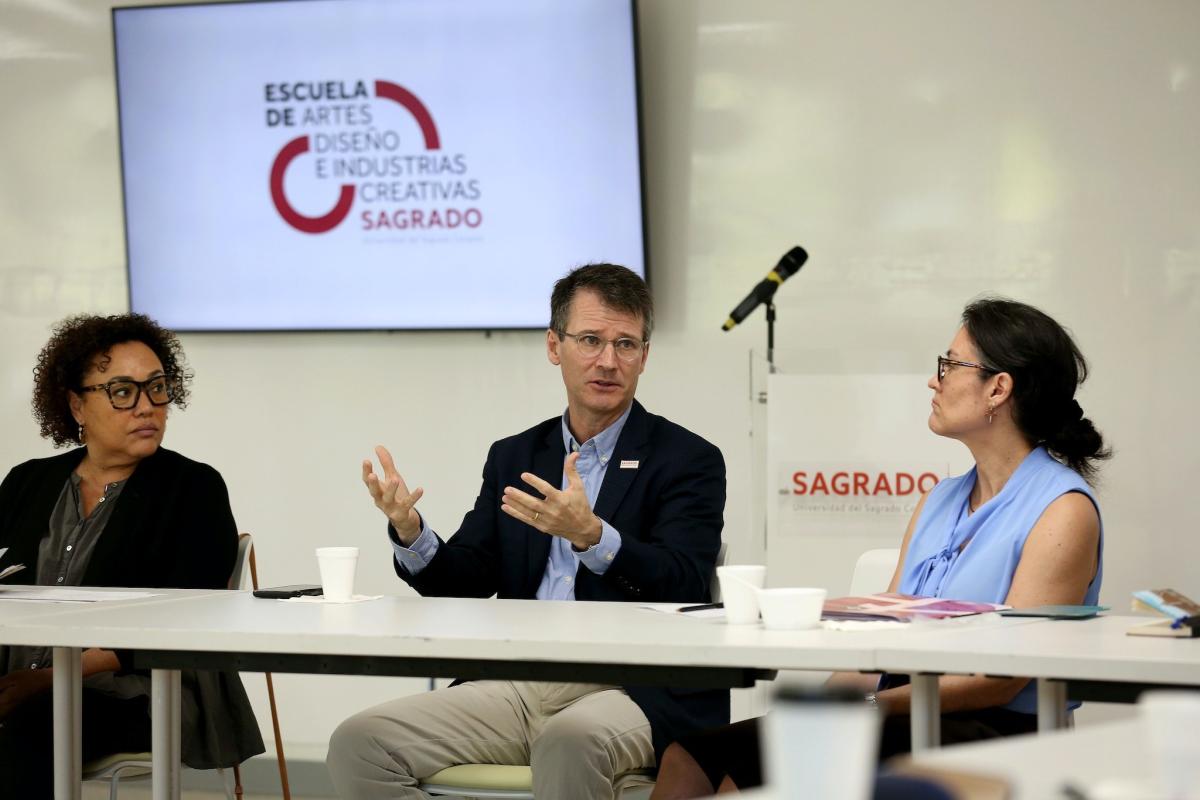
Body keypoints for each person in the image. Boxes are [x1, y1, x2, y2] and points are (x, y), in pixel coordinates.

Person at [649, 297, 1110, 797]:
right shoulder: (939, 499)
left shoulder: (1062, 509)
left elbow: (1002, 680)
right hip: (899, 710)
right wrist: (815, 711)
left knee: (748, 778)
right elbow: (879, 640)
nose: (934, 380)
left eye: (951, 365)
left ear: (998, 388)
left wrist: (865, 709)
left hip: (988, 729)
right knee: (687, 758)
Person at [327, 264, 728, 800]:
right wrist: (411, 530)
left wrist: (594, 537)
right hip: (518, 680)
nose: (608, 361)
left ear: (645, 357)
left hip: (635, 685)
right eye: (590, 340)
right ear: (554, 347)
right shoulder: (516, 456)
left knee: (570, 740)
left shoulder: (688, 459)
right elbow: (467, 579)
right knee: (360, 743)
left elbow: (683, 582)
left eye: (625, 344)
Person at [0, 313, 263, 798]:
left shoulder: (193, 488)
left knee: (29, 729)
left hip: (139, 692)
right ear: (77, 404)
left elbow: (191, 617)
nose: (147, 407)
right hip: (17, 679)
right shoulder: (26, 483)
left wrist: (51, 679)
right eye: (123, 392)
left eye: (157, 388)